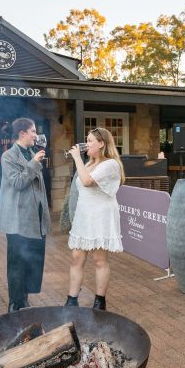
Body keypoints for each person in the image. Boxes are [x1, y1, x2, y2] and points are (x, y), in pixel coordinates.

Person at [65, 128, 124, 311]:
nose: (86, 144)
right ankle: (72, 299)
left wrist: (75, 158)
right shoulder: (89, 163)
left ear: (102, 144)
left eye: (90, 141)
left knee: (99, 260)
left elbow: (86, 182)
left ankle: (100, 301)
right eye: (87, 140)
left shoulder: (110, 164)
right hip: (84, 216)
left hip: (100, 216)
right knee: (76, 258)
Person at [0, 118, 50, 313]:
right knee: (17, 261)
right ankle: (14, 302)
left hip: (35, 217)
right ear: (22, 134)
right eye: (33, 131)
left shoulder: (33, 153)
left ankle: (24, 298)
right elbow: (18, 183)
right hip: (16, 219)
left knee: (32, 259)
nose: (36, 135)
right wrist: (34, 164)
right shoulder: (8, 157)